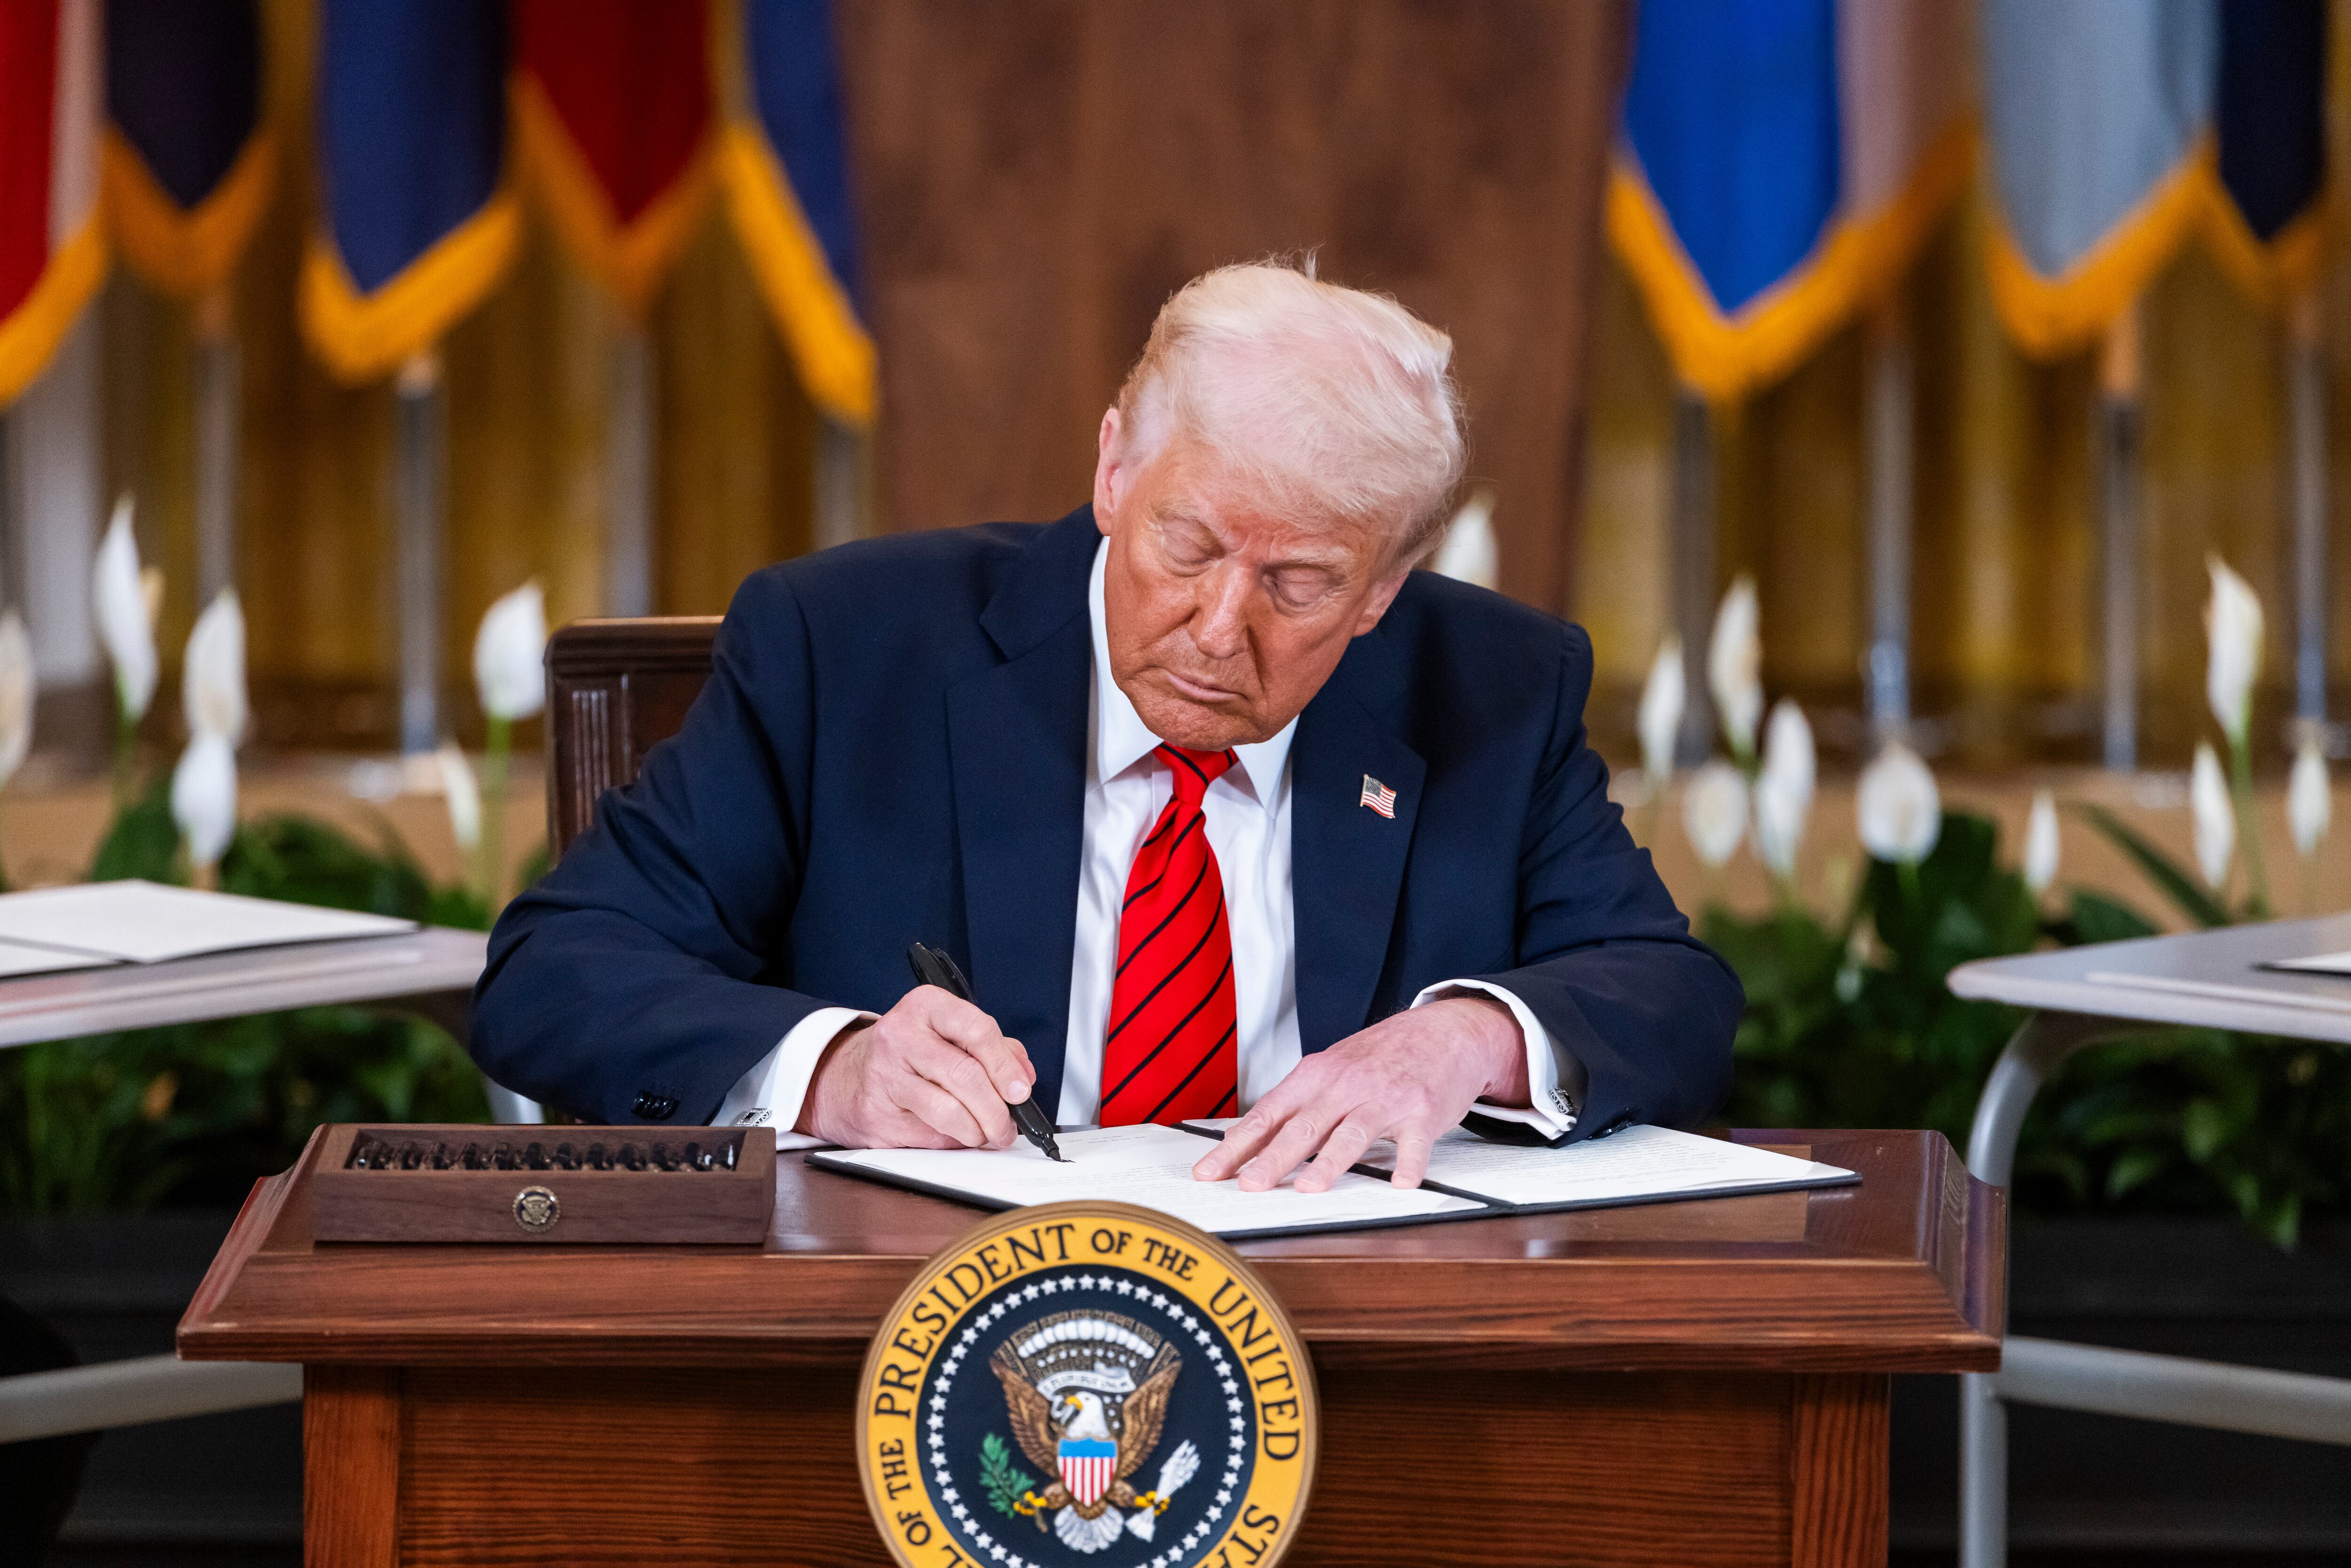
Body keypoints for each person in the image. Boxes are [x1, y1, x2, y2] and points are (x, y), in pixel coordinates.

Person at [472, 261, 1741, 1193]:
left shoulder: (1491, 687)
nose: (1216, 627)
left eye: (1297, 586)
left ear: (1381, 593)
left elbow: (1670, 997)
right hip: (905, 1317)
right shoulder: (849, 647)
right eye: (1184, 547)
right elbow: (557, 971)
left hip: (1349, 1331)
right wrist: (832, 1066)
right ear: (1113, 473)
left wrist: (1463, 1041)